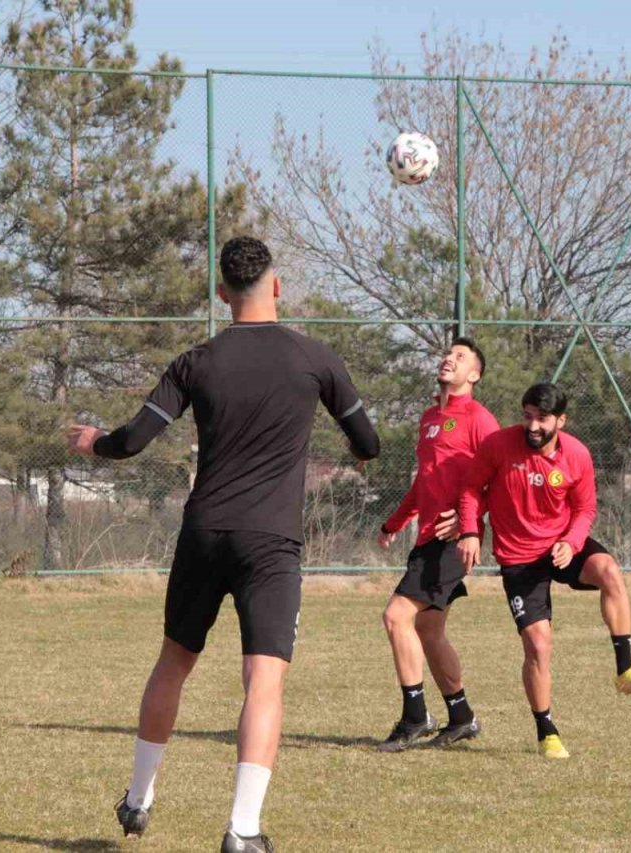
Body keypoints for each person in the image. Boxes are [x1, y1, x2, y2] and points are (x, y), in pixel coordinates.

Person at [66, 236, 379, 853]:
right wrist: (353, 448)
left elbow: (131, 441)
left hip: (204, 533)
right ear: (277, 286)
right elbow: (368, 442)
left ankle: (137, 798)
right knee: (263, 680)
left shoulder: (196, 361)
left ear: (220, 293)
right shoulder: (315, 358)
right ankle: (242, 830)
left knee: (173, 662)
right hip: (271, 541)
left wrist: (94, 441)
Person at [456, 382, 631, 760]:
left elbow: (585, 509)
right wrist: (470, 531)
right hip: (519, 559)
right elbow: (470, 488)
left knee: (609, 570)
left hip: (561, 547)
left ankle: (625, 669)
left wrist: (571, 541)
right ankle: (547, 732)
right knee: (538, 646)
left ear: (561, 421)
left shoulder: (577, 455)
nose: (533, 426)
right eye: (528, 417)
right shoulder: (499, 445)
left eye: (542, 419)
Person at [375, 338, 500, 751]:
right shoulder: (430, 417)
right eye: (448, 353)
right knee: (429, 631)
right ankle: (461, 717)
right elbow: (423, 483)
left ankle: (415, 717)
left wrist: (468, 523)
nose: (450, 358)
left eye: (460, 357)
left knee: (396, 617)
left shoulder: (480, 419)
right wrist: (393, 523)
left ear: (474, 375)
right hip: (427, 538)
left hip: (452, 542)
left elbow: (500, 479)